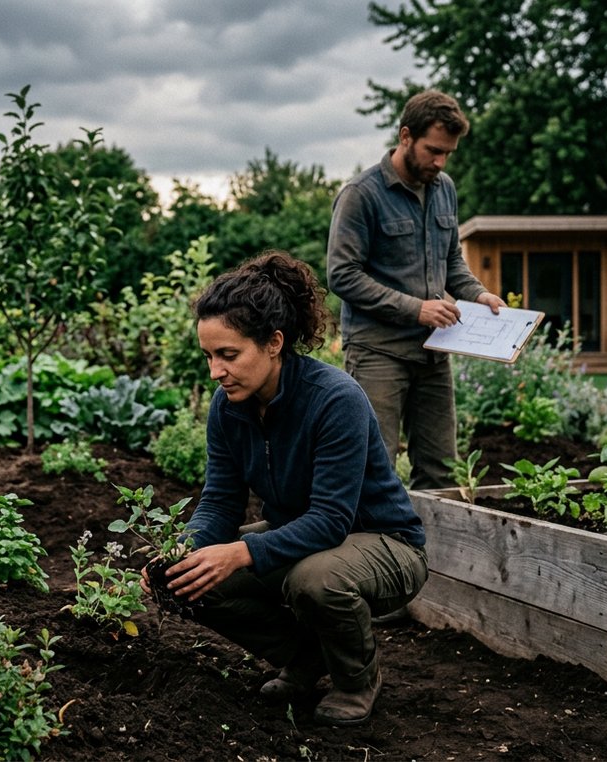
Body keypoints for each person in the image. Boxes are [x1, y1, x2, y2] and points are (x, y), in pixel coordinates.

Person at [158, 250, 429, 727]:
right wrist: (183, 550)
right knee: (189, 581)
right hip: (301, 537)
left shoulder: (333, 399)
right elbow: (220, 501)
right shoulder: (228, 408)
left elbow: (330, 520)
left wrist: (241, 553)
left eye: (229, 355)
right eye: (208, 356)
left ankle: (356, 679)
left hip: (385, 543)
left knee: (315, 580)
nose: (215, 372)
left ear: (274, 343)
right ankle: (306, 658)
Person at [326, 89, 504, 490]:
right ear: (406, 136)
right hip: (378, 352)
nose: (440, 162)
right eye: (433, 150)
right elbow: (342, 275)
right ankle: (373, 552)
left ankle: (434, 553)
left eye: (448, 154)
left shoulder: (444, 189)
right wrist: (416, 309)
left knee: (442, 471)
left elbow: (451, 261)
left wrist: (478, 294)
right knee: (374, 467)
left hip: (434, 352)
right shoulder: (361, 195)